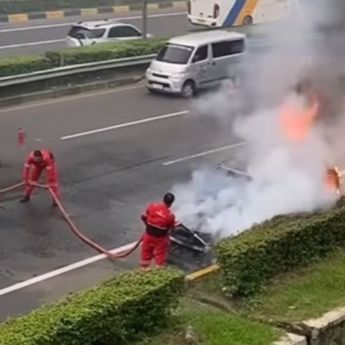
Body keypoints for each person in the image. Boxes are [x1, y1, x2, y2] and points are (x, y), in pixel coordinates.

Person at [140, 192, 177, 271]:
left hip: (148, 235)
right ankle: (159, 273)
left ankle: (144, 270)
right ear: (171, 203)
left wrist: (148, 226)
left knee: (146, 252)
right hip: (160, 239)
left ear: (163, 199)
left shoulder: (153, 206)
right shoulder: (170, 215)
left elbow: (143, 217)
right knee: (160, 255)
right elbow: (171, 229)